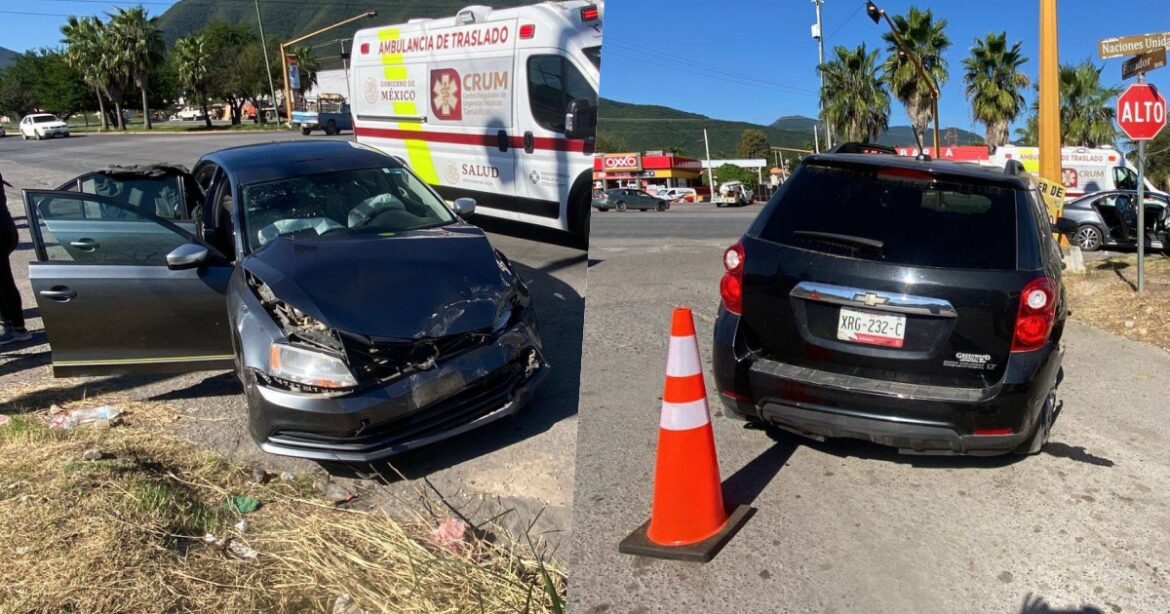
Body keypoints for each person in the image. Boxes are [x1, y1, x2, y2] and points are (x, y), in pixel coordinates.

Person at [0, 171, 31, 345]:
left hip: (1, 232)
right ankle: (11, 325)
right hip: (6, 229)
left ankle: (18, 328)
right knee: (3, 282)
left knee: (5, 282)